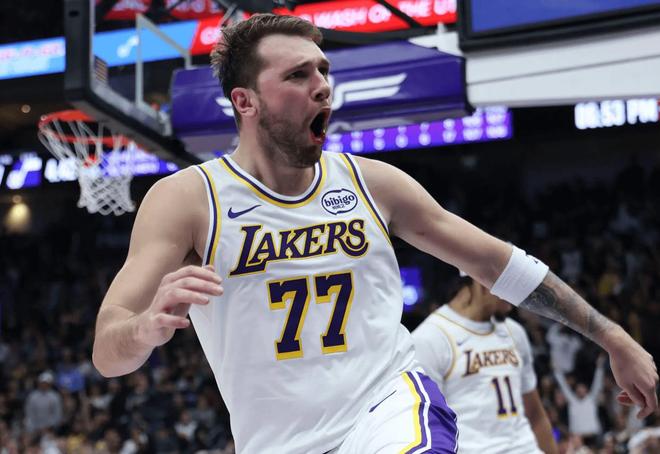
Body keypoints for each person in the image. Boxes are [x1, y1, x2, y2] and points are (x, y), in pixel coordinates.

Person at [91, 13, 658, 454]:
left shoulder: (372, 183)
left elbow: (498, 263)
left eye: (323, 71)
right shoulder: (188, 198)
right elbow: (107, 353)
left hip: (389, 409)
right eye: (297, 75)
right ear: (245, 102)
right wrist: (144, 328)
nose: (322, 86)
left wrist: (614, 337)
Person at [413, 275, 558, 453]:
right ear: (482, 281)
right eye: (511, 288)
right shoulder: (429, 339)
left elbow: (536, 416)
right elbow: (428, 430)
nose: (515, 301)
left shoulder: (514, 332)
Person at [553, 355, 606, 443]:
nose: (580, 391)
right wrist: (556, 371)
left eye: (582, 389)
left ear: (586, 390)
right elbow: (564, 386)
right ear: (576, 391)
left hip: (593, 436)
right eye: (578, 389)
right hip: (577, 437)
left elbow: (597, 384)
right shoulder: (572, 401)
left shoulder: (591, 399)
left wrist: (599, 368)